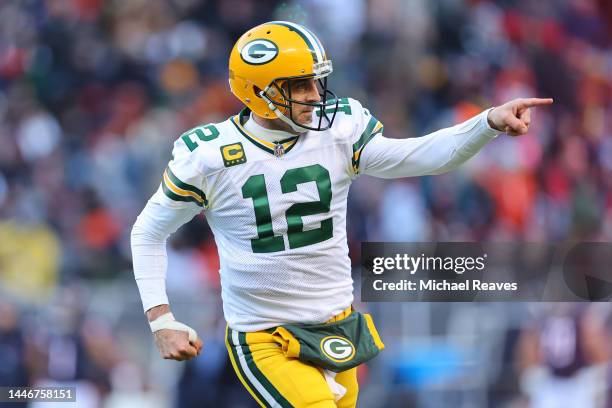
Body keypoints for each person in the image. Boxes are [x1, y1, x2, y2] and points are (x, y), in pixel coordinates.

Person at [131, 21, 553, 407]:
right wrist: (161, 318)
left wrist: (488, 123)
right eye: (299, 86)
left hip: (337, 325)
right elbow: (148, 231)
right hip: (265, 336)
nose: (315, 95)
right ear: (259, 91)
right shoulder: (209, 156)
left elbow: (417, 156)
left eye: (315, 82)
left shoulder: (339, 129)